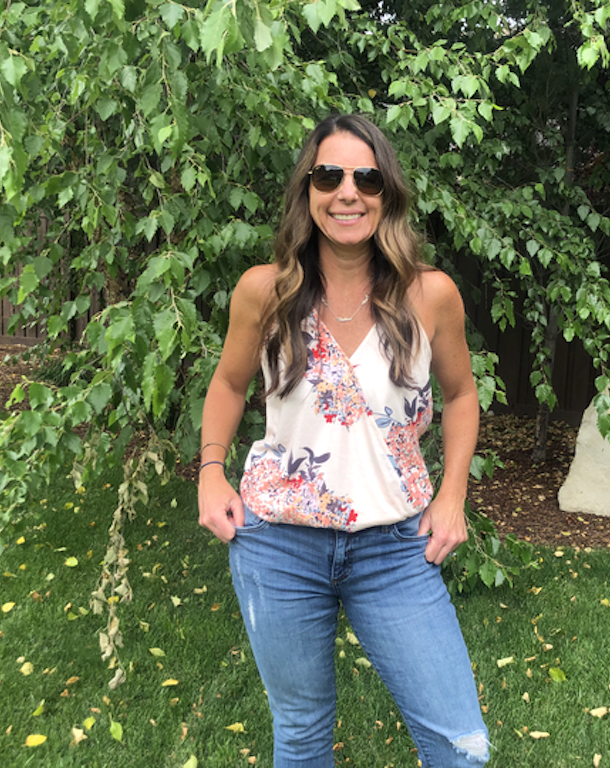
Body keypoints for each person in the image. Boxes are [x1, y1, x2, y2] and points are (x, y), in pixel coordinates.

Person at [197, 113, 490, 767]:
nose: (347, 192)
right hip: (277, 544)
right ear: (308, 190)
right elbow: (227, 383)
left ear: (387, 193)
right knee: (301, 736)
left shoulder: (431, 296)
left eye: (366, 177)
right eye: (329, 175)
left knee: (461, 748)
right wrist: (210, 471)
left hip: (393, 551)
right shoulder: (263, 292)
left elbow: (462, 396)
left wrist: (453, 496)